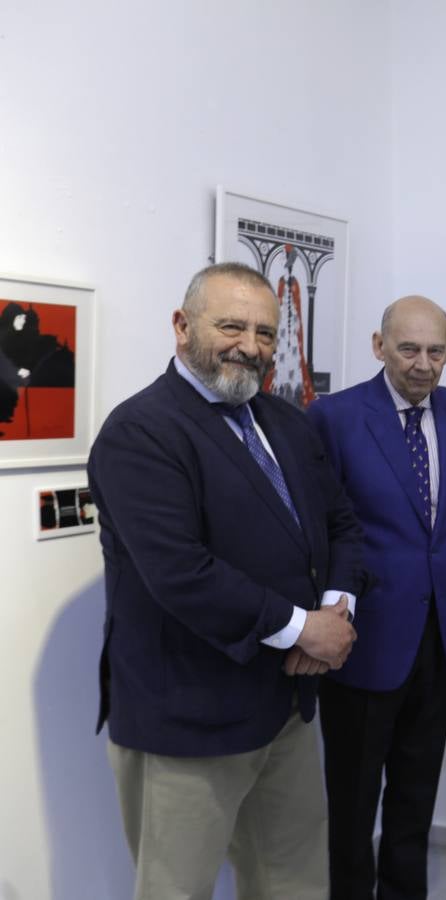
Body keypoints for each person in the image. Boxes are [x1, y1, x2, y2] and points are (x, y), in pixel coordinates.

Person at [88, 262, 363, 900]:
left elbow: (341, 525)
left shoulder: (287, 422)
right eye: (231, 325)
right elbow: (181, 573)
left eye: (266, 332)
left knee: (293, 881)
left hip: (286, 710)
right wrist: (303, 629)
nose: (251, 345)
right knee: (175, 889)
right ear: (183, 327)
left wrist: (333, 612)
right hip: (189, 717)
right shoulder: (140, 433)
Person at [306, 295, 446, 899]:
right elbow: (320, 526)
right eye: (408, 349)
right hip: (361, 637)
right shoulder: (334, 416)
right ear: (379, 347)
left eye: (436, 350)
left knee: (415, 796)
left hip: (440, 637)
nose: (423, 364)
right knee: (354, 807)